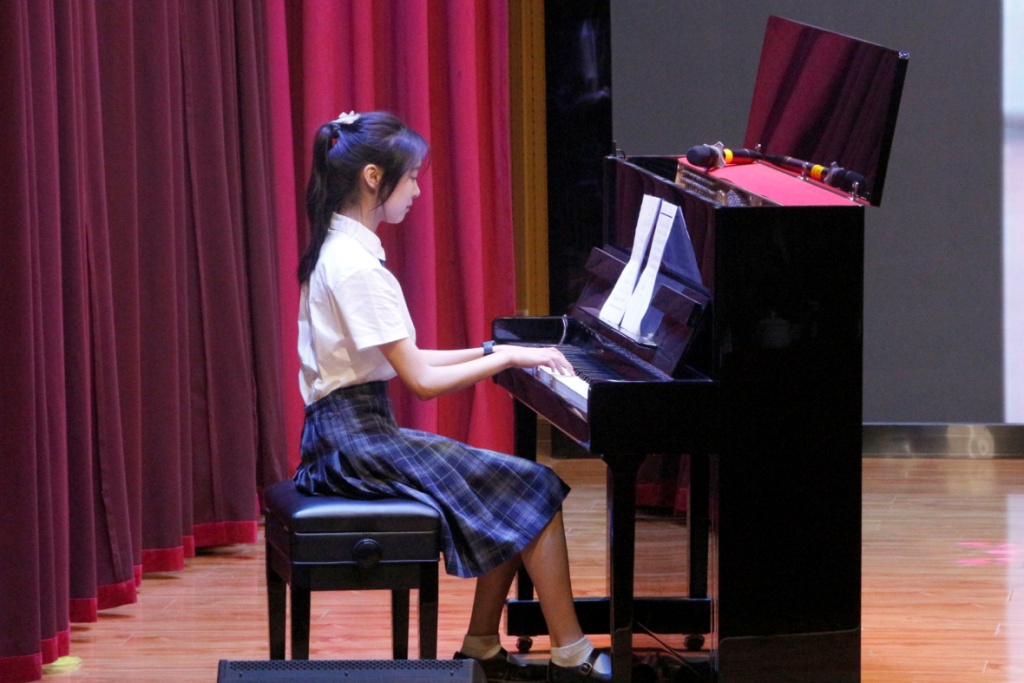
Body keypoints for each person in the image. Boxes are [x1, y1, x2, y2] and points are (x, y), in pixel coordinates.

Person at [292, 110, 612, 683]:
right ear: (373, 177)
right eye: (412, 177)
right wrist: (507, 359)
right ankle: (573, 655)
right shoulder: (357, 268)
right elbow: (420, 381)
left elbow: (410, 357)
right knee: (533, 488)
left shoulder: (340, 250)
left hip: (345, 436)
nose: (417, 190)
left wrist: (492, 350)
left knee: (511, 488)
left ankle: (483, 645)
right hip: (355, 446)